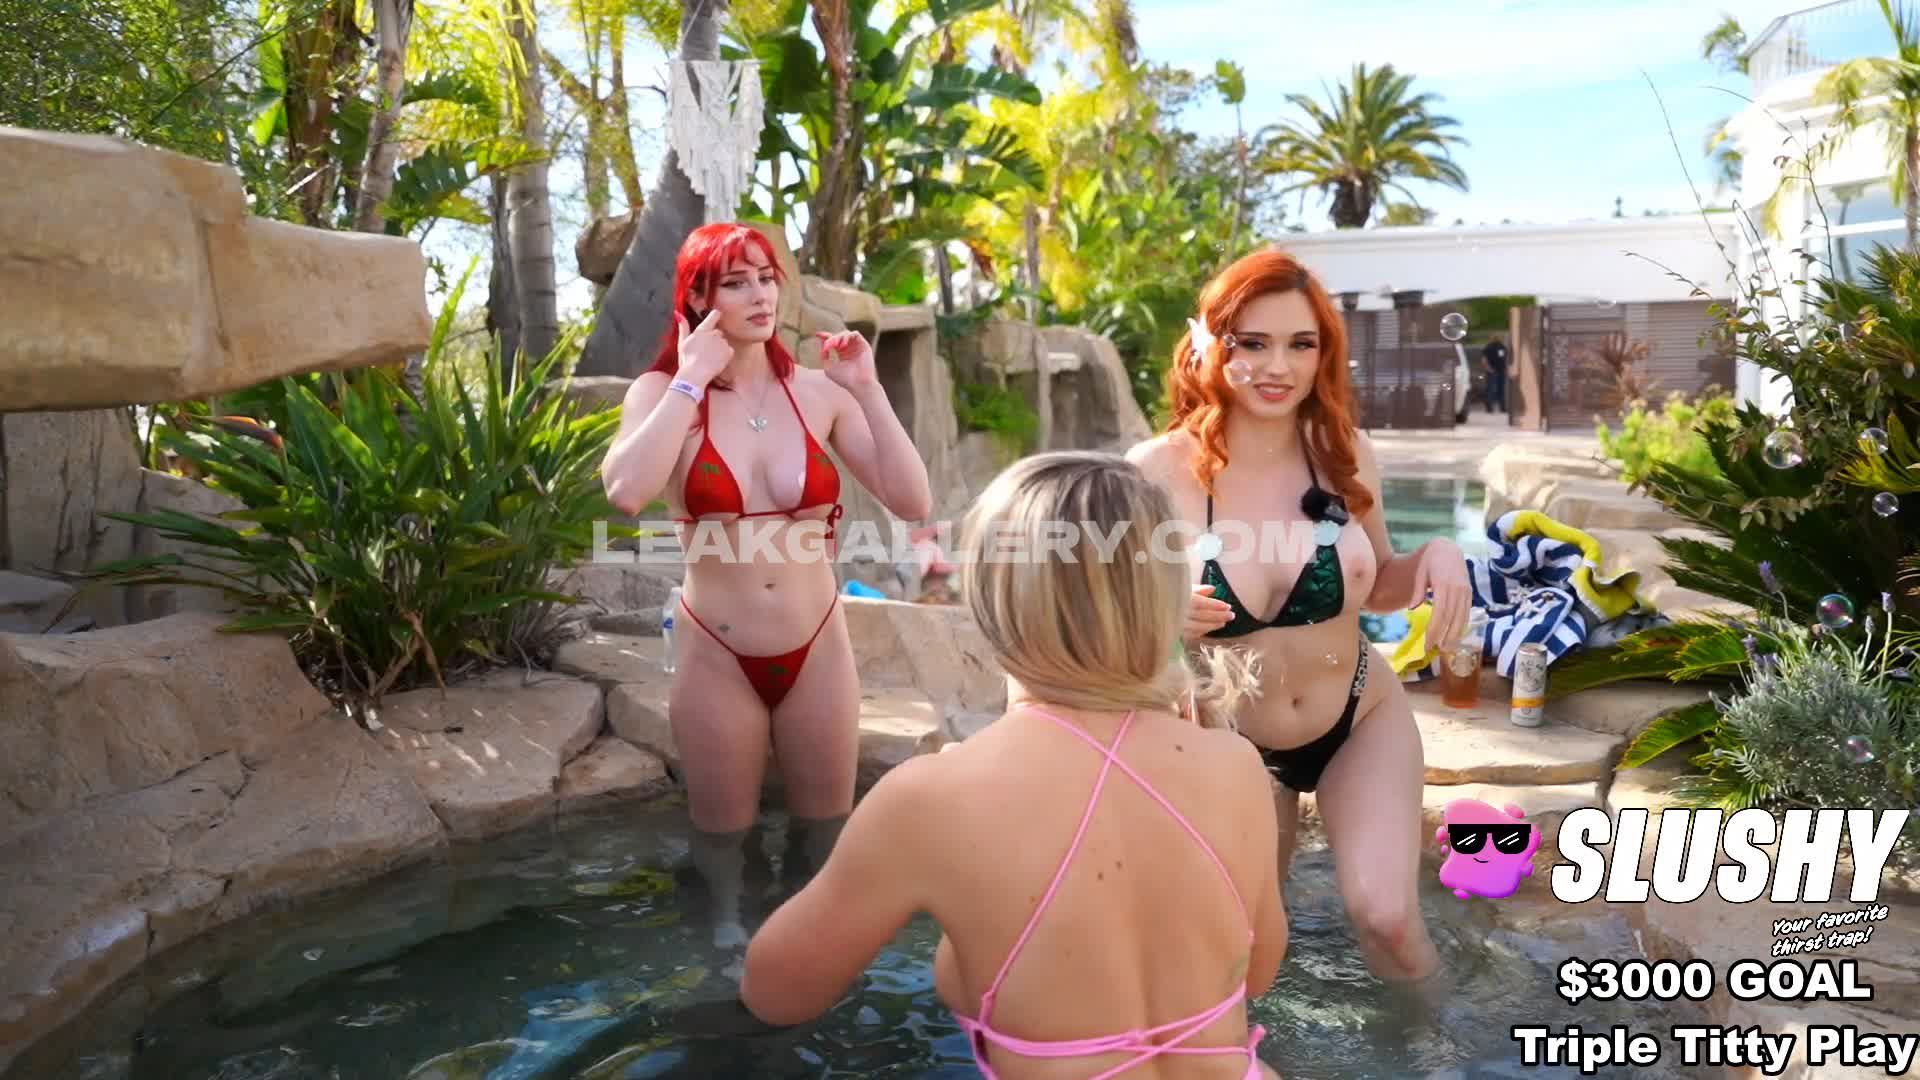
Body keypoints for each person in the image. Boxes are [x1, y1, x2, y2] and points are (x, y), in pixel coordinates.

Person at [740, 452, 1287, 1080]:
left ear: (989, 600)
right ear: (1164, 600)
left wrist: (960, 935)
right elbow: (1258, 973)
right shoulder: (1234, 765)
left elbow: (775, 992)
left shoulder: (933, 797)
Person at [1126, 249, 1471, 998]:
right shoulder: (1153, 473)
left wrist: (1436, 556)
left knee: (1388, 921)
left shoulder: (1344, 453)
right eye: (1252, 343)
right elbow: (1097, 624)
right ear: (1211, 346)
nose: (1277, 366)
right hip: (1230, 742)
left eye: (1300, 344)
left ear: (1324, 354)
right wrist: (1158, 616)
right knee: (1246, 949)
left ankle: (1444, 1050)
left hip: (1357, 718)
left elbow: (1378, 585)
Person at [600, 223, 933, 947]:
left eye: (766, 278)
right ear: (698, 298)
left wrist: (868, 389)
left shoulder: (817, 394)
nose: (759, 295)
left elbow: (914, 502)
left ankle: (814, 965)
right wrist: (689, 379)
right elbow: (627, 491)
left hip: (818, 649)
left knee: (825, 834)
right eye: (735, 282)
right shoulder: (663, 393)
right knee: (723, 849)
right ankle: (726, 965)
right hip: (717, 654)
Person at [1480, 335, 1508, 414]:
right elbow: (1484, 360)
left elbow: (1503, 358)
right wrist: (1489, 369)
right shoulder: (1491, 348)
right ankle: (1495, 407)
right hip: (1495, 371)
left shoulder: (1499, 347)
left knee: (1495, 389)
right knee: (1494, 390)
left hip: (1497, 371)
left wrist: (1489, 368)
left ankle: (1496, 407)